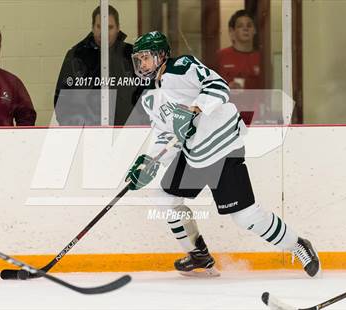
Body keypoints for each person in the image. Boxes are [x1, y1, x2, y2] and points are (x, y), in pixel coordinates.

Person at [127, 31, 320, 277]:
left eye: (146, 58)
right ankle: (199, 255)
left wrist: (195, 107)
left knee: (245, 217)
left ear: (162, 55)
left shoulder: (182, 67)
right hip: (194, 154)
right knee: (164, 197)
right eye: (138, 59)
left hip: (223, 147)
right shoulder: (152, 97)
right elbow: (167, 135)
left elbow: (219, 86)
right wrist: (149, 161)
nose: (142, 64)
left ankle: (298, 245)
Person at [54, 5, 147, 126]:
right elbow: (62, 100)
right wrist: (76, 129)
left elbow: (144, 95)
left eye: (110, 27)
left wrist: (138, 126)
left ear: (118, 28)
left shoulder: (131, 55)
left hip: (126, 131)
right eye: (99, 26)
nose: (104, 32)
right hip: (86, 132)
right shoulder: (76, 56)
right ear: (93, 27)